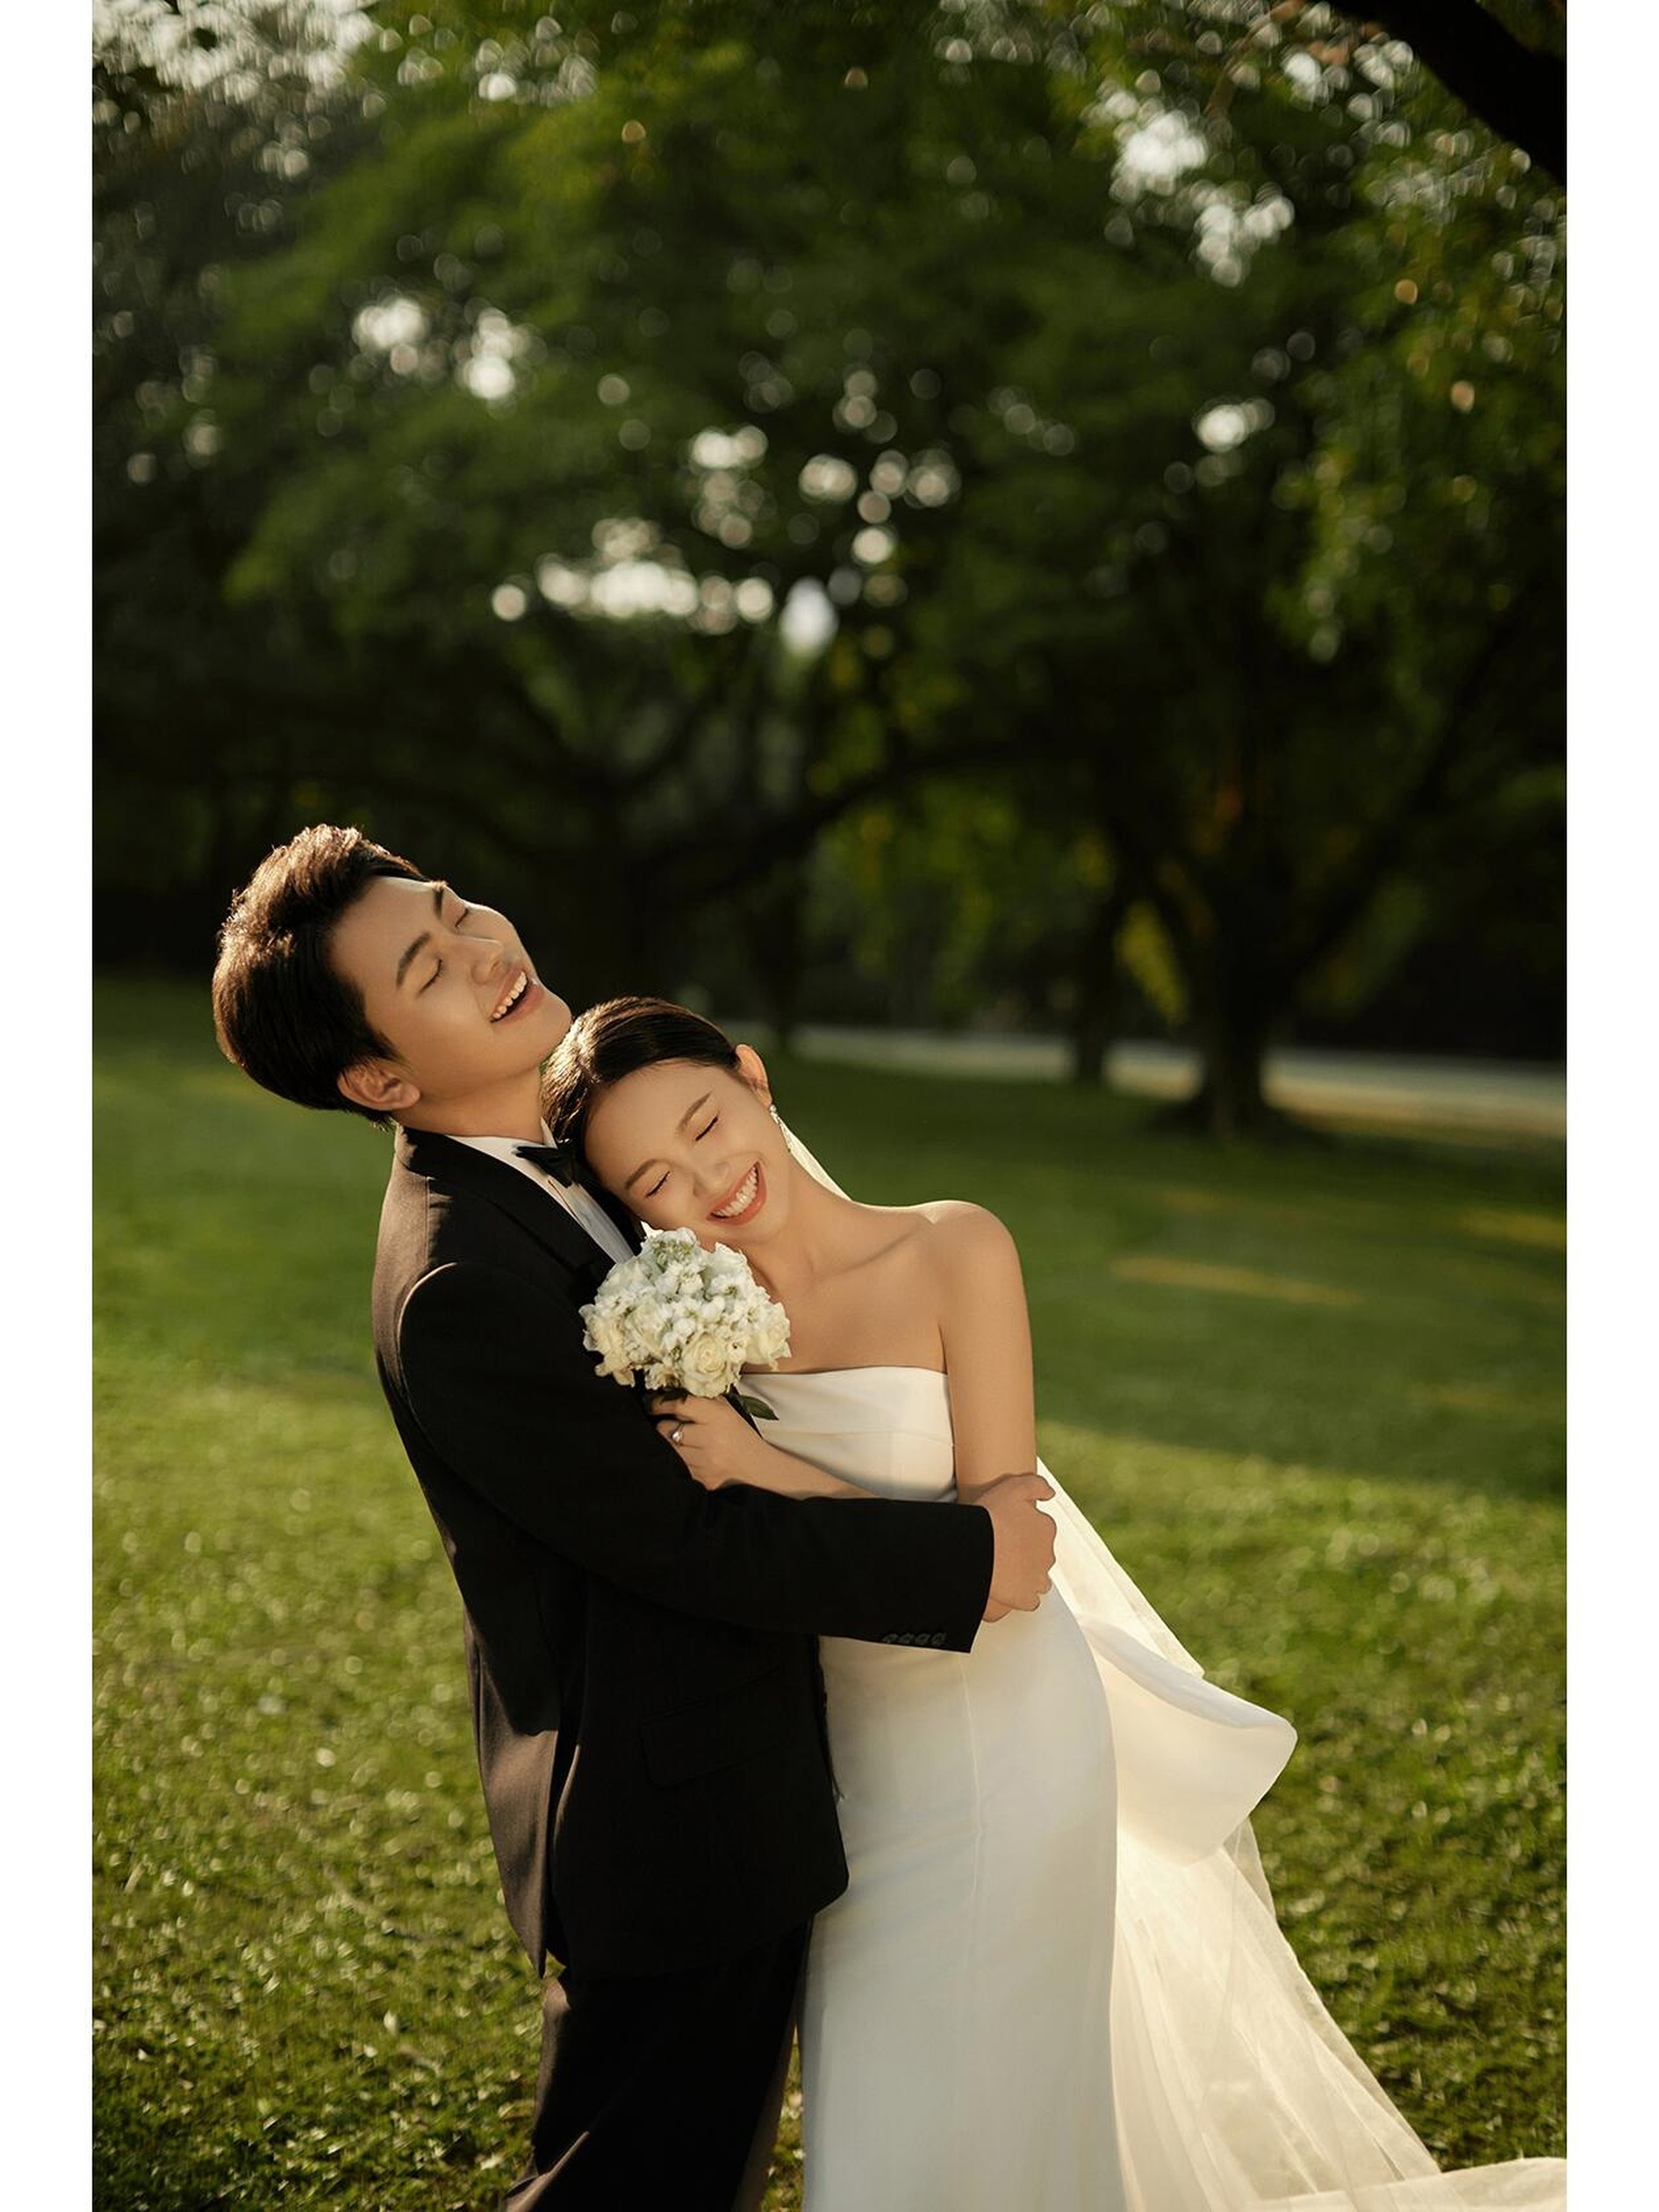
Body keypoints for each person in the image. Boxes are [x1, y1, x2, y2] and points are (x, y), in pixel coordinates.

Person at [544, 995, 1570, 2212]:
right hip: (836, 1773)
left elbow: (1014, 1559)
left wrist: (764, 1470)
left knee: (987, 2110)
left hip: (1003, 1744)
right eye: (655, 1180)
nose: (708, 1180)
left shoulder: (951, 1250)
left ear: (754, 1079)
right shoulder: (685, 1335)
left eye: (707, 1122)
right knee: (885, 2116)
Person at [209, 825, 1061, 2212]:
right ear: (379, 1079)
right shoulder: (460, 1280)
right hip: (670, 1820)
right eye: (426, 965)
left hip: (759, 1775)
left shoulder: (591, 1145)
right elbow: (686, 1543)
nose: (482, 946)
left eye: (454, 905)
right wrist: (969, 1560)